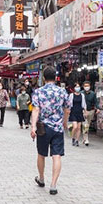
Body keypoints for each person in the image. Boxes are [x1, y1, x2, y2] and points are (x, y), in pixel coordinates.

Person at [30, 66, 71, 195]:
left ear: (43, 77)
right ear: (56, 77)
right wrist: (64, 121)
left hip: (43, 127)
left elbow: (36, 110)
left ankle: (41, 178)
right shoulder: (62, 92)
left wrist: (33, 127)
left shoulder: (38, 92)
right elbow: (67, 109)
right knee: (57, 155)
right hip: (58, 128)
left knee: (41, 154)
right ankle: (53, 185)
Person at [81, 81, 98, 147]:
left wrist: (98, 108)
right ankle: (86, 139)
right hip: (83, 111)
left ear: (90, 86)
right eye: (85, 86)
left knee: (88, 124)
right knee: (85, 124)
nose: (86, 87)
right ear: (83, 86)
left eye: (87, 86)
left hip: (91, 111)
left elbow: (95, 102)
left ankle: (84, 138)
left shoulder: (93, 94)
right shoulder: (81, 93)